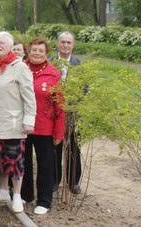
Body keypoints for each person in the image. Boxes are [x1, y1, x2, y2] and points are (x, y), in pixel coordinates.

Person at [0, 31, 36, 213]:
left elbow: (29, 96)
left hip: (14, 123)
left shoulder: (19, 67)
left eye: (2, 43)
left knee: (15, 162)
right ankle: (3, 191)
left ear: (10, 46)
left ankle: (16, 195)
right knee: (0, 161)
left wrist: (29, 120)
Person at [21, 36, 64, 215]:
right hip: (22, 125)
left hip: (45, 127)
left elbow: (60, 106)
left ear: (46, 53)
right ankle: (25, 194)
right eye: (33, 50)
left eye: (40, 50)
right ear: (28, 51)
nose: (36, 53)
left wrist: (59, 132)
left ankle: (44, 200)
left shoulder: (54, 74)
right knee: (23, 162)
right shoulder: (20, 69)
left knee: (46, 164)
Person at [53, 31, 82, 194]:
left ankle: (73, 182)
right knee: (54, 147)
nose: (65, 45)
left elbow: (84, 88)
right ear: (57, 44)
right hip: (54, 113)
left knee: (73, 148)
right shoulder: (50, 62)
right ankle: (54, 181)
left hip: (72, 113)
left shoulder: (79, 64)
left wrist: (73, 106)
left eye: (68, 42)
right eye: (63, 42)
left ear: (73, 45)